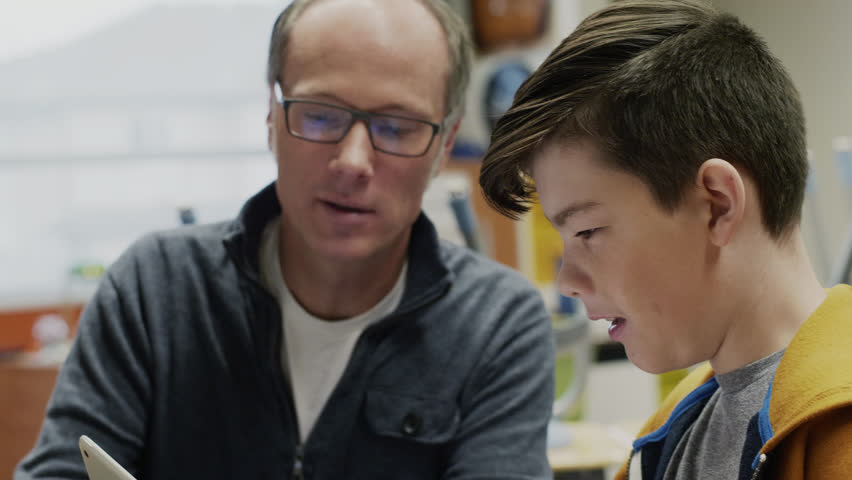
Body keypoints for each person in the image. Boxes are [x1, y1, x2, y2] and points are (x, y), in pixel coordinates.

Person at [15, 0, 555, 478]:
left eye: (396, 128)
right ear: (272, 116)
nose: (352, 162)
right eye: (320, 117)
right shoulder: (155, 290)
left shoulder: (499, 326)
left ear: (445, 144)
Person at [478, 1, 852, 479]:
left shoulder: (835, 430)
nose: (567, 281)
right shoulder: (668, 434)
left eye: (588, 231)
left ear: (716, 204)